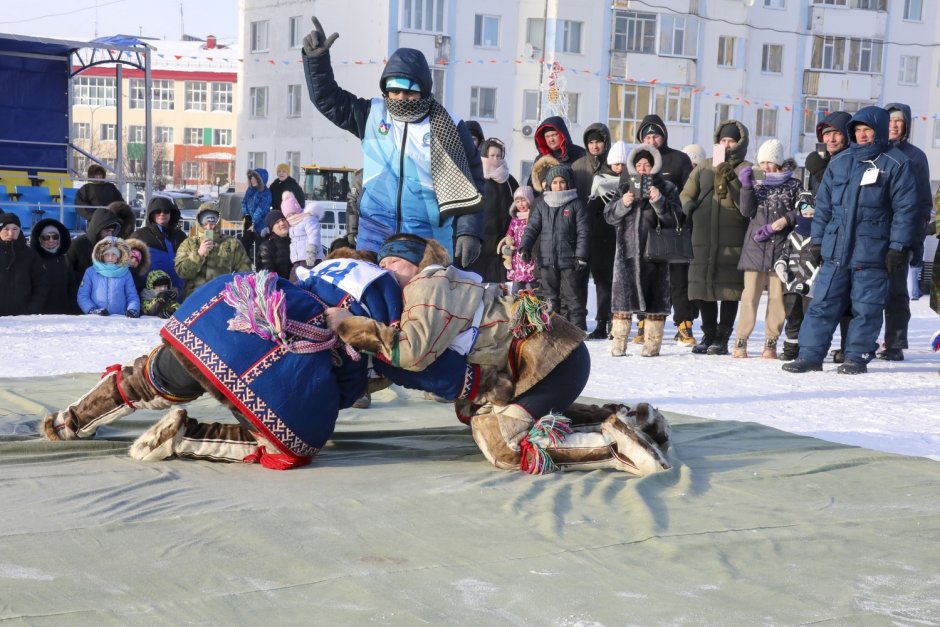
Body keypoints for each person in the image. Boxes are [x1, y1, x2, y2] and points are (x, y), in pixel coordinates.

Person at [327, 233, 671, 476]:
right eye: (381, 263)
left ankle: (618, 448)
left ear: (419, 263)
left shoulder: (427, 284)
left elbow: (412, 352)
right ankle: (634, 420)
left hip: (549, 362)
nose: (386, 271)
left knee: (502, 442)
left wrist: (348, 327)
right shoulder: (432, 288)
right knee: (508, 416)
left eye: (395, 262)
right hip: (553, 359)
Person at [302, 18, 484, 264]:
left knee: (421, 300)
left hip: (428, 235)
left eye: (409, 92)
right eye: (394, 92)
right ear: (386, 90)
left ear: (423, 90)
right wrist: (317, 61)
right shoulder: (371, 114)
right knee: (373, 298)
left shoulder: (448, 125)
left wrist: (469, 230)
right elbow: (327, 99)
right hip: (375, 231)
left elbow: (471, 181)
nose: (401, 98)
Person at [783, 106, 919, 375]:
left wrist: (898, 246)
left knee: (866, 307)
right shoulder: (840, 162)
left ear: (878, 130)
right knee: (822, 303)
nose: (862, 134)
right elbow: (823, 206)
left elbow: (906, 210)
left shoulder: (897, 163)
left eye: (867, 129)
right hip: (835, 249)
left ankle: (856, 356)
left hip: (872, 251)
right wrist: (818, 241)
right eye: (857, 130)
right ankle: (810, 355)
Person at [680, 120, 751, 356]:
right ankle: (708, 332)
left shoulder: (746, 168)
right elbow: (686, 193)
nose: (727, 144)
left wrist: (730, 177)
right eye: (723, 140)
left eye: (731, 140)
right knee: (704, 287)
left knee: (729, 288)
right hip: (702, 235)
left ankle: (723, 335)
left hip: (733, 237)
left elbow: (747, 203)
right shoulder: (704, 167)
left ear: (739, 143)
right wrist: (691, 208)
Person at [604, 146, 680, 357]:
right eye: (639, 165)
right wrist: (623, 204)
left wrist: (659, 201)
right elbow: (609, 216)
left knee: (655, 301)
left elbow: (676, 220)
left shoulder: (667, 187)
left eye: (647, 164)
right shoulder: (624, 187)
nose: (643, 168)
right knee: (622, 302)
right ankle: (618, 345)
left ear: (654, 165)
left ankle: (652, 346)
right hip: (626, 255)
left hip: (655, 255)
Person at [731, 139, 802, 359]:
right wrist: (746, 187)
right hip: (756, 247)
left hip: (781, 247)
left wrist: (784, 221)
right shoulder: (757, 182)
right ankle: (741, 340)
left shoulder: (794, 185)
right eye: (762, 162)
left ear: (779, 162)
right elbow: (746, 211)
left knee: (777, 297)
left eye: (769, 162)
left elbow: (803, 210)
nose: (765, 168)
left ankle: (770, 341)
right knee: (749, 295)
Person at [877, 103, 933, 362]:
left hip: (901, 237)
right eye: (890, 120)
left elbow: (923, 203)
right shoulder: (874, 152)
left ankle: (895, 342)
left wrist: (917, 240)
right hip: (872, 233)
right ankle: (862, 341)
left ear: (907, 125)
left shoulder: (916, 156)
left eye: (899, 121)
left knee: (896, 292)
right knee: (864, 292)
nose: (894, 125)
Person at [637, 115, 696, 348]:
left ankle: (684, 323)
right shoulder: (637, 161)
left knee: (678, 280)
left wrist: (684, 216)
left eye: (656, 135)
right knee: (646, 279)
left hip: (673, 227)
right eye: (647, 136)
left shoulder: (679, 159)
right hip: (645, 230)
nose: (652, 140)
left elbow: (691, 192)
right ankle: (644, 321)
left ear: (664, 136)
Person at [803, 110, 853, 363]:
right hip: (826, 237)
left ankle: (848, 347)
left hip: (849, 239)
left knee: (847, 298)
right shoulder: (823, 162)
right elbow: (818, 204)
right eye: (827, 135)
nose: (831, 139)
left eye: (836, 134)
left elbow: (840, 197)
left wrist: (821, 171)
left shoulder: (851, 159)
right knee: (824, 296)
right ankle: (813, 349)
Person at [519, 164, 591, 331]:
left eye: (562, 182)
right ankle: (553, 330)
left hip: (570, 261)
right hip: (546, 260)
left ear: (568, 184)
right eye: (555, 182)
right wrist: (525, 247)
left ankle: (576, 331)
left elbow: (583, 232)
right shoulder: (543, 205)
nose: (559, 185)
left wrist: (581, 256)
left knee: (572, 297)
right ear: (549, 184)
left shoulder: (576, 205)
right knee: (549, 298)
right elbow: (532, 228)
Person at [572, 123, 615, 338]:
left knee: (603, 277)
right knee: (579, 274)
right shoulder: (578, 166)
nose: (595, 145)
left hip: (606, 229)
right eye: (591, 142)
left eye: (598, 141)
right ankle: (579, 320)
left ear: (605, 142)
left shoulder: (613, 164)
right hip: (581, 227)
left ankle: (603, 320)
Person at [174, 202, 253, 300]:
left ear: (218, 222)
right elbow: (182, 272)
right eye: (205, 224)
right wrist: (198, 254)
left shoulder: (232, 244)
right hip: (194, 300)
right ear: (199, 223)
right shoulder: (189, 243)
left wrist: (234, 293)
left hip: (222, 299)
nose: (209, 227)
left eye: (212, 223)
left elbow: (245, 274)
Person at [774, 194, 819, 361]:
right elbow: (785, 255)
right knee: (792, 316)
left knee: (810, 318)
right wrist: (781, 266)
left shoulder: (819, 236)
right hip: (792, 283)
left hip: (811, 286)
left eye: (812, 214)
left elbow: (822, 262)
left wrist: (811, 282)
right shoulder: (792, 235)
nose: (808, 218)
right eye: (805, 214)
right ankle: (791, 349)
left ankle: (808, 350)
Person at [467, 137, 517, 281]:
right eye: (492, 155)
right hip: (480, 244)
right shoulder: (476, 177)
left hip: (502, 244)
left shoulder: (509, 181)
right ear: (484, 156)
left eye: (499, 156)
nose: (495, 159)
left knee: (500, 290)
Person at [68, 200, 136, 284]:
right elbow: (67, 275)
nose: (110, 234)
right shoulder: (76, 245)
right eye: (107, 231)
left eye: (112, 231)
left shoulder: (113, 248)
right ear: (98, 229)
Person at [132, 196, 187, 297]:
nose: (162, 214)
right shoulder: (140, 235)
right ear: (151, 214)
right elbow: (129, 265)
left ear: (171, 213)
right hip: (149, 296)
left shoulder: (180, 235)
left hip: (177, 293)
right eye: (157, 211)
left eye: (166, 211)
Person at [76, 237, 141, 317]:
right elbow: (83, 295)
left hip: (120, 319)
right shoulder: (91, 272)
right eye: (107, 254)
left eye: (114, 254)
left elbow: (132, 296)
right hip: (95, 319)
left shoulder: (126, 273)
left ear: (119, 256)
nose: (110, 258)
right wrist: (92, 310)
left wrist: (132, 309)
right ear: (101, 255)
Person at [0, 213, 48, 316]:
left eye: (15, 229)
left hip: (23, 317)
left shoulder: (30, 254)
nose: (10, 233)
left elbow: (41, 284)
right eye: (6, 229)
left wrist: (31, 309)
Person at [30, 218, 79, 314]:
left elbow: (72, 289)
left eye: (55, 237)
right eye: (46, 237)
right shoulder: (32, 259)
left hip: (64, 314)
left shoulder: (65, 259)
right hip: (39, 315)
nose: (51, 240)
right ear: (39, 239)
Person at [498, 186, 538, 294]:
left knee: (535, 287)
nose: (520, 204)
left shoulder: (534, 217)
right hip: (517, 260)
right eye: (517, 201)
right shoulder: (514, 219)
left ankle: (537, 305)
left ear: (530, 201)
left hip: (530, 257)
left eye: (523, 200)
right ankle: (516, 305)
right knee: (517, 287)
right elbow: (509, 235)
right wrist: (507, 246)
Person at [280, 191, 322, 281]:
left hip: (310, 258)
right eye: (288, 215)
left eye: (293, 213)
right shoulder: (291, 225)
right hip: (297, 259)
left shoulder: (307, 218)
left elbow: (314, 234)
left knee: (308, 280)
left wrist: (311, 250)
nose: (292, 217)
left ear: (298, 210)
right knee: (294, 279)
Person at [258, 210, 293, 280]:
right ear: (272, 229)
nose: (282, 223)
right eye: (277, 222)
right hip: (280, 287)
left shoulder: (295, 241)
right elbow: (268, 274)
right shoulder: (266, 247)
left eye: (283, 220)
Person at [242, 168, 272, 236]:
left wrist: (252, 222)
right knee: (244, 244)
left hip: (261, 226)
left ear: (260, 180)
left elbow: (261, 209)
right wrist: (246, 216)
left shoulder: (266, 193)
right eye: (251, 178)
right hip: (249, 224)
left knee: (260, 245)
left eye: (254, 179)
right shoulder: (250, 190)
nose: (252, 180)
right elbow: (244, 202)